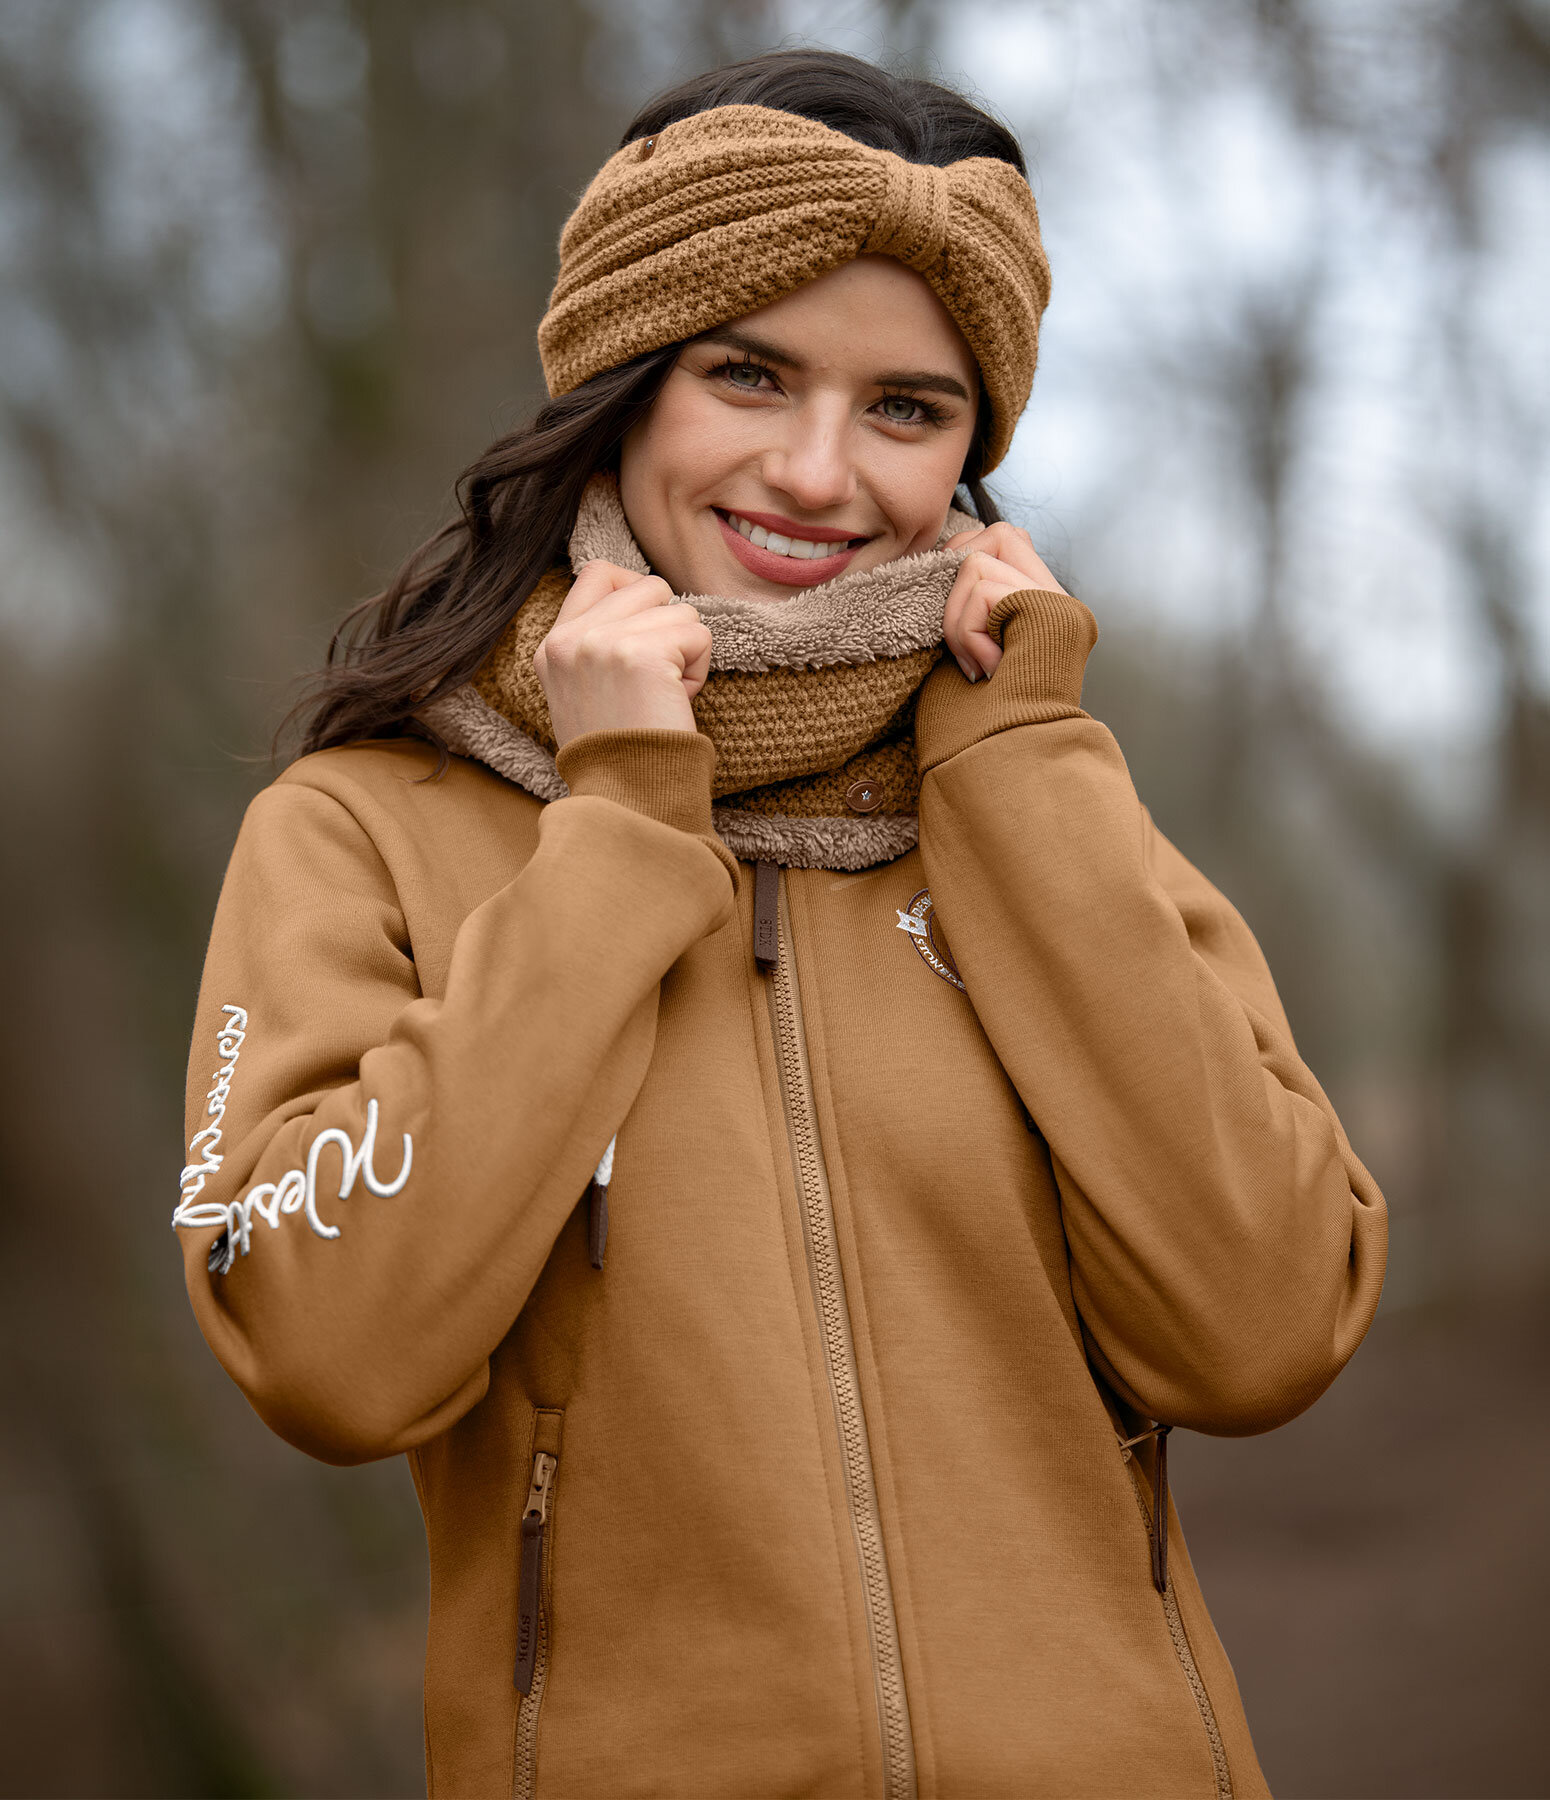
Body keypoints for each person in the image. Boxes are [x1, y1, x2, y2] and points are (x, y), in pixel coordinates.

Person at [174, 48, 1386, 1800]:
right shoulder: (364, 830)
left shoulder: (1037, 796)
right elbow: (327, 1354)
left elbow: (1264, 1328)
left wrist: (1024, 774)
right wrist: (615, 828)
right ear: (622, 386)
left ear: (973, 454)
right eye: (748, 374)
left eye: (908, 407)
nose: (821, 473)